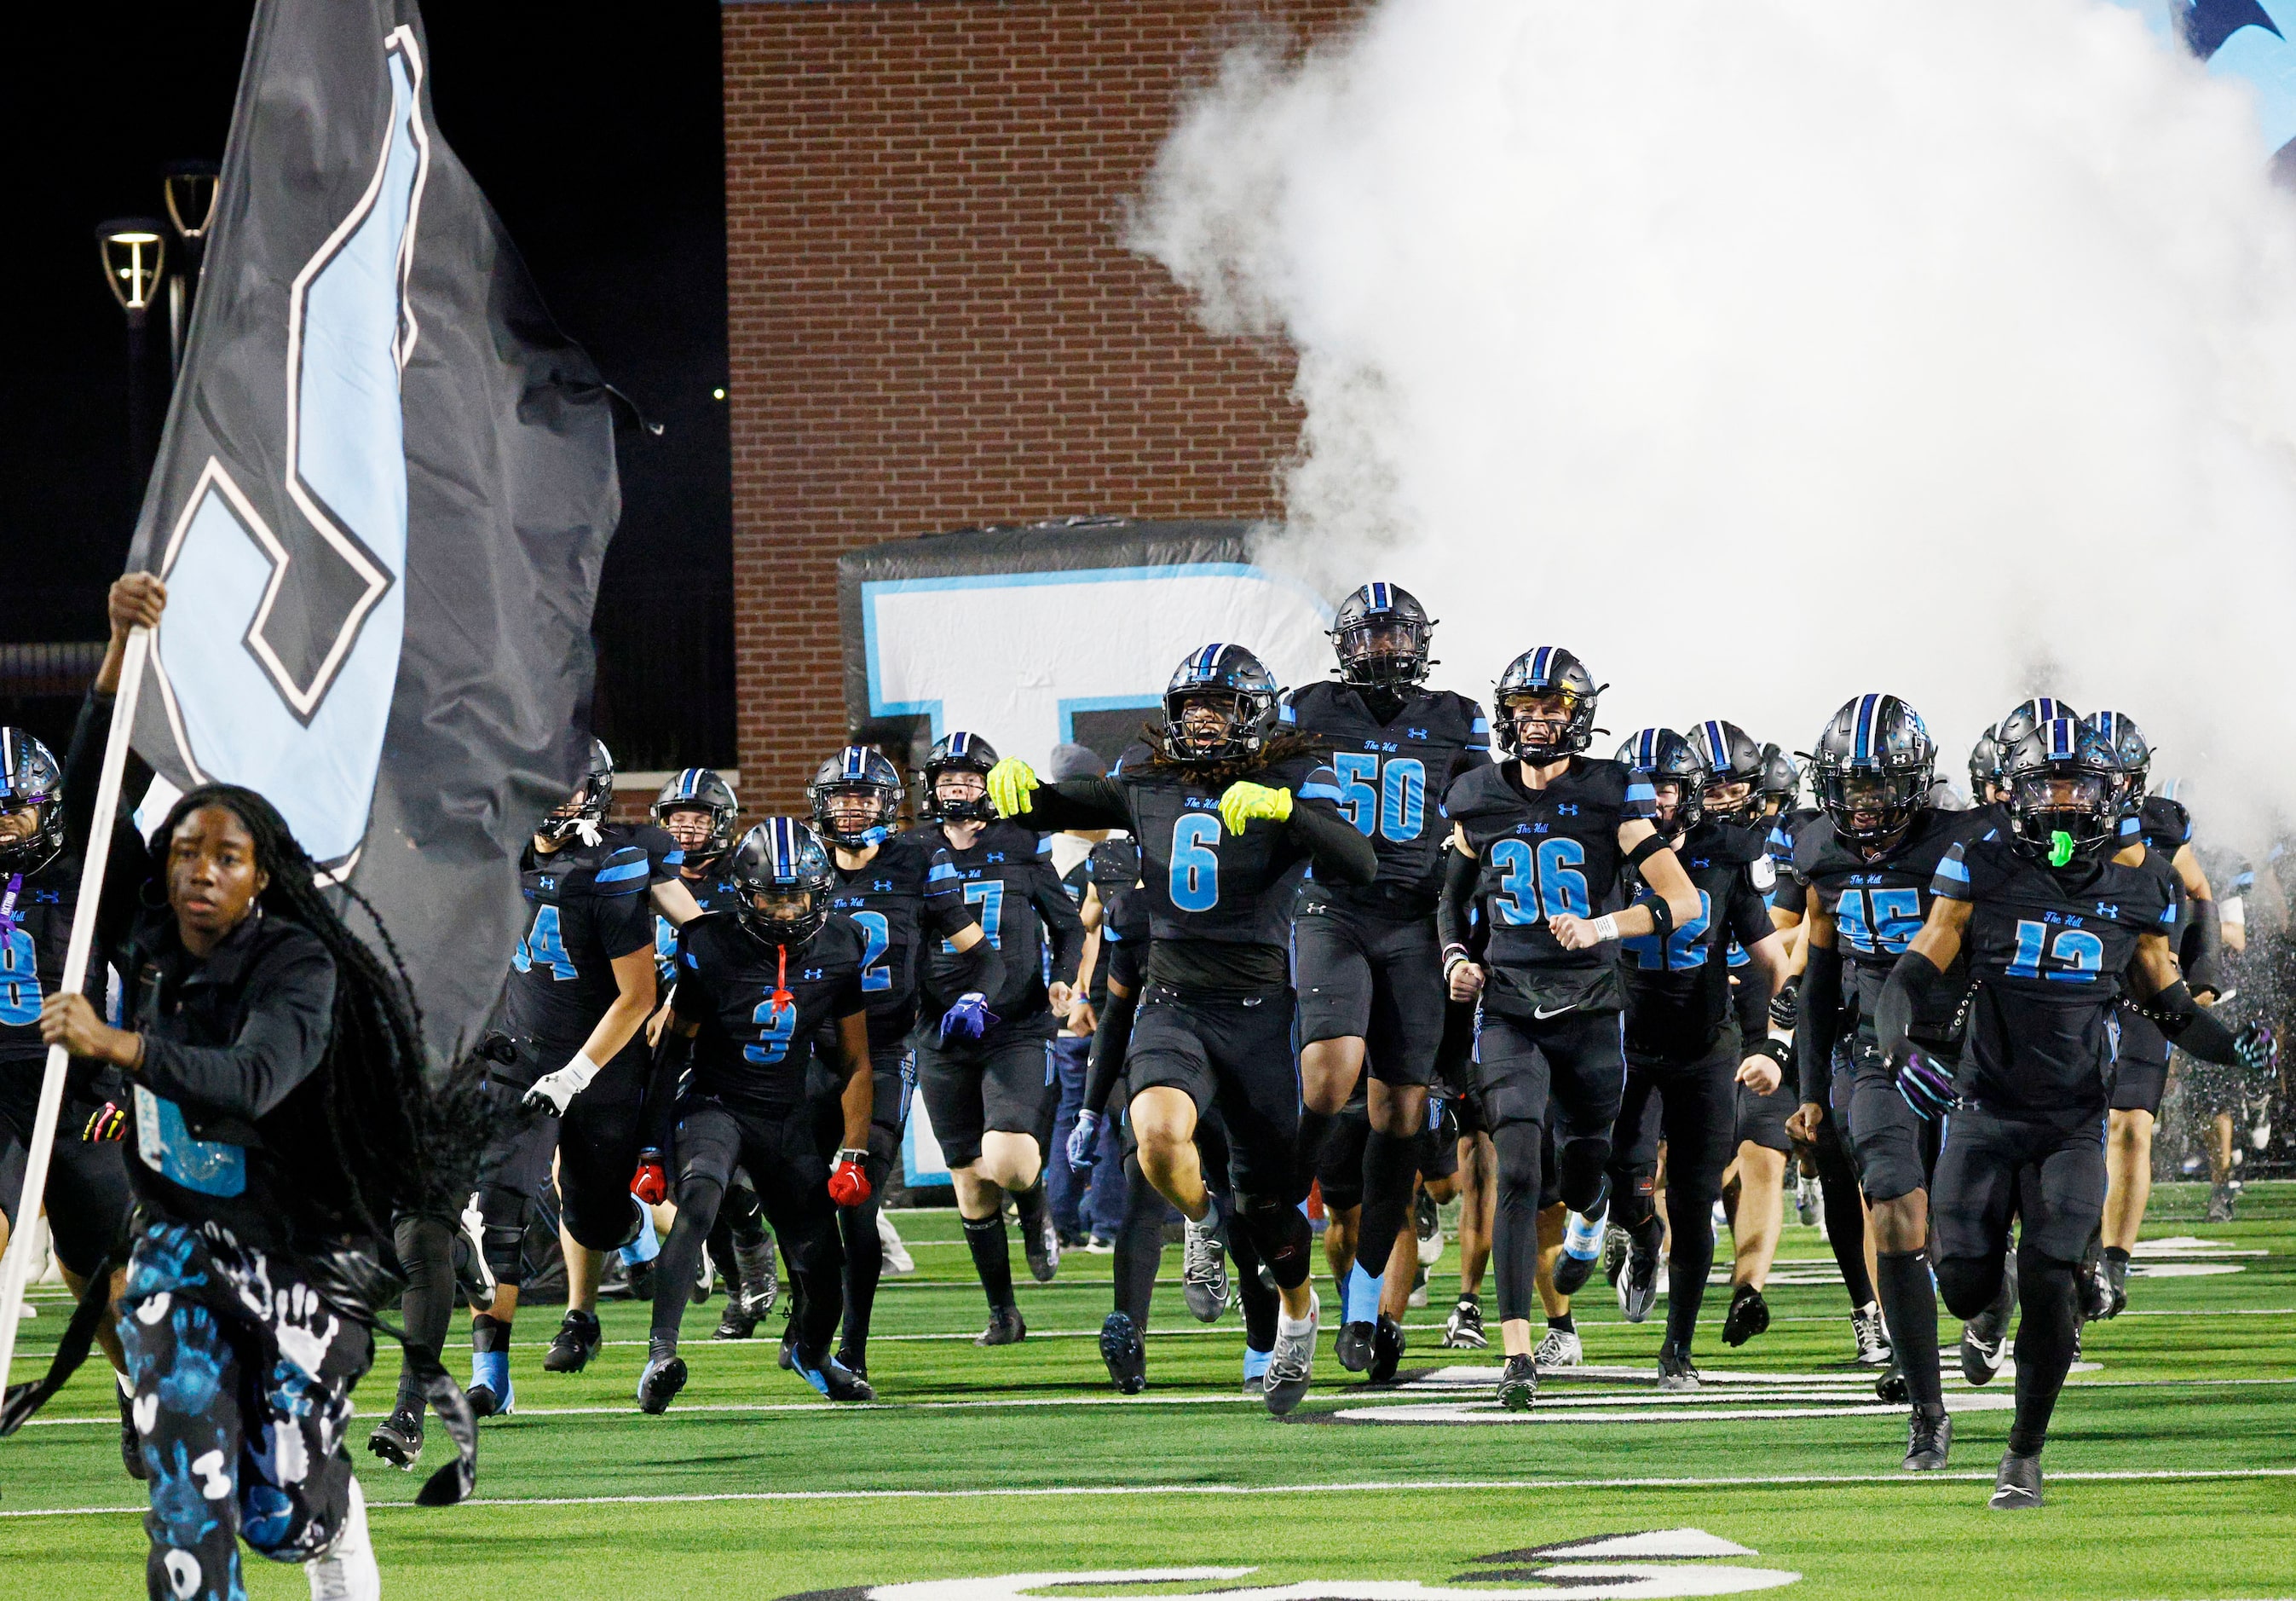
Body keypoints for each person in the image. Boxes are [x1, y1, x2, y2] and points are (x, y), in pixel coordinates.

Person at [39, 571, 457, 1598]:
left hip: (301, 1259)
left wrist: (123, 1049)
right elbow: (94, 812)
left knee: (279, 1514)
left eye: (226, 856)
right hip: (180, 1244)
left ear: (263, 873)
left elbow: (256, 1081)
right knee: (190, 1496)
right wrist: (116, 655)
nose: (200, 871)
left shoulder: (298, 966)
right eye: (185, 851)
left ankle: (334, 1524)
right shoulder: (147, 936)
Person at [1885, 718, 2271, 1508]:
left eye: (2080, 787)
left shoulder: (2140, 886)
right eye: (2047, 786)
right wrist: (1899, 1051)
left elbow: (2166, 1006)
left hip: (2071, 1119)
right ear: (2016, 791)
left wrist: (2233, 1048)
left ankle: (2023, 1454)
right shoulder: (1981, 861)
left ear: (2111, 792)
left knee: (2055, 1278)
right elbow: (1912, 973)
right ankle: (1986, 1305)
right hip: (1985, 1108)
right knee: (1961, 1279)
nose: (2063, 803)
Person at [985, 642, 1378, 1413]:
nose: (1202, 721)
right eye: (1191, 706)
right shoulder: (1149, 775)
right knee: (1156, 1129)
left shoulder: (1289, 774)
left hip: (1260, 1009)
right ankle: (1199, 1221)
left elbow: (1359, 863)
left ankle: (1298, 1312)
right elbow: (1073, 803)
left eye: (1219, 706)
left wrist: (1289, 810)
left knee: (1269, 1207)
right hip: (1173, 998)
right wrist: (1021, 792)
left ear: (1254, 715)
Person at [1437, 646, 1704, 1411]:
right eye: (1525, 708)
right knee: (1517, 1166)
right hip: (1511, 1006)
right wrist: (1458, 954)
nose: (1537, 722)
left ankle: (1591, 1216)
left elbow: (1682, 903)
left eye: (1552, 709)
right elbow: (1449, 901)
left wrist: (1602, 925)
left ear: (1579, 716)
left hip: (1589, 1008)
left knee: (1584, 1168)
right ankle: (1518, 1350)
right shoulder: (1475, 796)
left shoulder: (1610, 792)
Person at [1280, 582, 1489, 1382]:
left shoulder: (1457, 715)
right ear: (1343, 645)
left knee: (1398, 1109)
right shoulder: (1304, 709)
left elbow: (1490, 811)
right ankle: (1265, 1200)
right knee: (1328, 1075)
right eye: (1369, 637)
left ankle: (1366, 1305)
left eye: (1396, 636)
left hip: (1414, 918)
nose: (1384, 650)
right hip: (1330, 908)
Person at [1783, 692, 1971, 1470]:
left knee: (1966, 1241)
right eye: (1850, 786)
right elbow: (1822, 971)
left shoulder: (1964, 843)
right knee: (1894, 1210)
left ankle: (1987, 1303)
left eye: (1878, 785)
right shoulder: (1818, 850)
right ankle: (1927, 1410)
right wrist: (1808, 1085)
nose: (1863, 803)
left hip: (1965, 1049)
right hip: (1873, 1055)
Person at [637, 820, 878, 1410]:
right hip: (715, 1100)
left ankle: (811, 1353)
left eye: (797, 895)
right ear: (745, 894)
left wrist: (852, 1150)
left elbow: (855, 1061)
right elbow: (673, 1051)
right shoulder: (710, 945)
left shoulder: (844, 945)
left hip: (784, 1114)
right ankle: (660, 1354)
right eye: (773, 895)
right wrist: (651, 1145)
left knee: (825, 1262)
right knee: (697, 1202)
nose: (787, 910)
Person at [460, 738, 659, 1415]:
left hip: (600, 1065)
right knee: (497, 1217)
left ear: (595, 793)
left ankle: (628, 1227)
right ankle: (491, 1373)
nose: (554, 800)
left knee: (590, 1214)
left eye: (569, 787)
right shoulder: (498, 853)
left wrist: (576, 1074)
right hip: (518, 1059)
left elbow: (638, 996)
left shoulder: (610, 867)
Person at [1605, 729, 1789, 1389]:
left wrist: (1770, 1039)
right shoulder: (1605, 853)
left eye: (1667, 788)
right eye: (1644, 787)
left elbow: (1772, 959)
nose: (1655, 800)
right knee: (1624, 1186)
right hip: (1625, 1043)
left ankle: (1676, 1349)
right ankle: (1641, 1239)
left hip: (1704, 1047)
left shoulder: (1725, 856)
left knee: (1694, 1196)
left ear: (1688, 794)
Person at [808, 746, 997, 1378]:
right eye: (842, 797)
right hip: (805, 1052)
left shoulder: (919, 860)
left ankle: (852, 1347)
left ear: (888, 806)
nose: (853, 809)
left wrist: (977, 994)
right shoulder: (801, 868)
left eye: (865, 797)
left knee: (857, 1198)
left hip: (885, 1048)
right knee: (801, 1197)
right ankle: (805, 1314)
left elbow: (981, 953)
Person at [911, 731, 1087, 1344]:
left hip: (1015, 1024)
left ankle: (1035, 1207)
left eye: (968, 780)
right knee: (968, 1178)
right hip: (937, 1028)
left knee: (1009, 1162)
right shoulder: (910, 852)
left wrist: (1064, 982)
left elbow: (1068, 930)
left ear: (988, 789)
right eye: (947, 780)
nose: (956, 791)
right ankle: (1003, 1312)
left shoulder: (1020, 848)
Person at [0, 721, 137, 1475]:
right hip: (1, 1082)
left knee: (102, 1276)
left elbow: (149, 978)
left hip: (83, 1087)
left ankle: (128, 1382)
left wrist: (126, 1077)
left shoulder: (91, 876)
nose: (3, 826)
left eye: (14, 809)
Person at [2085, 717, 2224, 1296]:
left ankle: (2114, 1261)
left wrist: (2203, 973)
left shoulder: (2162, 824)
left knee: (2132, 1127)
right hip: (2074, 991)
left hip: (2146, 990)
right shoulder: (2046, 827)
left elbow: (2201, 893)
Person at [649, 768, 780, 1342]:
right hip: (648, 1033)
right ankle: (738, 1262)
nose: (687, 831)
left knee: (709, 1169)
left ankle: (746, 1264)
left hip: (726, 1032)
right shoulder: (638, 876)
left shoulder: (743, 880)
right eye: (677, 819)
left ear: (722, 825)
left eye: (699, 820)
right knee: (676, 1172)